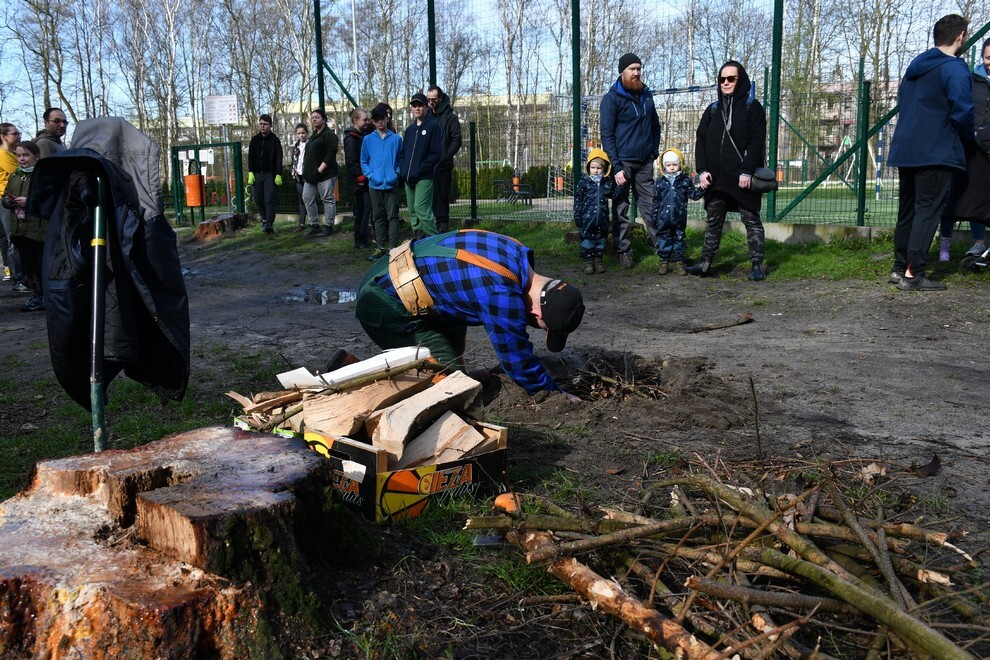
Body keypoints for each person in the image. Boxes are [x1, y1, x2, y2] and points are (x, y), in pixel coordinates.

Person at [354, 229, 585, 399]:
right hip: (380, 300)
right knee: (450, 392)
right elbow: (516, 359)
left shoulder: (516, 251)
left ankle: (456, 373)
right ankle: (358, 384)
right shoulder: (500, 292)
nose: (535, 328)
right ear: (535, 312)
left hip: (394, 269)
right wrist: (557, 394)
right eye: (542, 327)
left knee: (454, 348)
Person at [888, 14, 974, 291]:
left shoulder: (915, 67)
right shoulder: (954, 68)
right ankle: (914, 274)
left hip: (907, 147)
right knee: (928, 211)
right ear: (961, 36)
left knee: (908, 211)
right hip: (936, 149)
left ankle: (899, 267)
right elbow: (962, 110)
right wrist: (968, 139)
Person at [688, 60, 769, 281]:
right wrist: (702, 171)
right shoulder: (712, 110)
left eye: (731, 78)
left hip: (742, 178)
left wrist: (746, 170)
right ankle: (705, 264)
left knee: (751, 219)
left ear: (740, 79)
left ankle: (756, 266)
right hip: (717, 180)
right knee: (713, 220)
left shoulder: (753, 107)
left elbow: (756, 141)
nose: (725, 83)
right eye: (722, 79)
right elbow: (700, 141)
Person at [599, 53, 661, 268]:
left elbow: (655, 126)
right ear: (621, 72)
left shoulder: (646, 95)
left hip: (645, 162)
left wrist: (653, 151)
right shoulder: (611, 98)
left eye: (638, 68)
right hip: (622, 164)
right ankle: (623, 250)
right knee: (621, 209)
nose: (636, 72)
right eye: (632, 69)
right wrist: (616, 166)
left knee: (651, 206)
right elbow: (606, 134)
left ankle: (663, 248)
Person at [939, 37, 990, 261]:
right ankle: (975, 244)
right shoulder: (971, 81)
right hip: (973, 146)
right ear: (982, 58)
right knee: (970, 195)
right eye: (988, 57)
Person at [2, 141, 44, 311]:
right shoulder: (14, 175)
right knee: (28, 265)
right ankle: (36, 295)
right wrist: (7, 201)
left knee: (41, 264)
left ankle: (47, 296)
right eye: (19, 155)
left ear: (36, 156)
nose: (22, 159)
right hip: (20, 228)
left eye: (26, 155)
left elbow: (48, 198)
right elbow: (5, 194)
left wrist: (30, 202)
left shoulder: (42, 176)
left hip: (39, 229)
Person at [651, 148, 705, 275]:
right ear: (664, 166)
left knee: (679, 240)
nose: (671, 167)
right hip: (663, 219)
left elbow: (694, 195)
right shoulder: (660, 182)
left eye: (674, 164)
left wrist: (703, 188)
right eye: (668, 165)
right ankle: (664, 263)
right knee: (664, 241)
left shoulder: (685, 181)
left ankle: (678, 264)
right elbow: (656, 201)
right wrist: (654, 217)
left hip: (679, 218)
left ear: (680, 164)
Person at [361, 103, 403, 259]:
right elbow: (364, 161)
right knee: (378, 216)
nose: (379, 122)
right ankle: (380, 247)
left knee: (393, 216)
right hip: (375, 184)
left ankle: (393, 248)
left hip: (391, 183)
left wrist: (396, 174)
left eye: (382, 118)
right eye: (376, 119)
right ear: (373, 121)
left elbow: (401, 159)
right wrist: (371, 176)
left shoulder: (396, 139)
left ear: (387, 119)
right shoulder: (368, 140)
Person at [399, 93, 443, 239]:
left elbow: (436, 153)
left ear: (426, 107)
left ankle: (433, 239)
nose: (417, 108)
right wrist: (404, 170)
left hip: (424, 176)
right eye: (414, 106)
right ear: (411, 108)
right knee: (412, 210)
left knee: (421, 208)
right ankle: (418, 238)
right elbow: (404, 153)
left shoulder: (433, 126)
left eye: (420, 105)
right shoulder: (410, 130)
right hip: (408, 177)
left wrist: (420, 168)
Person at [573, 148, 622, 274]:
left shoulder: (607, 183)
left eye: (599, 168)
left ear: (605, 168)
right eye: (593, 167)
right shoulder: (584, 182)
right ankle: (588, 262)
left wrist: (621, 187)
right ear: (588, 167)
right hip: (587, 218)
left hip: (602, 218)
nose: (595, 170)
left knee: (601, 239)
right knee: (587, 239)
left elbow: (613, 195)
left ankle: (598, 260)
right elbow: (578, 200)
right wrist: (577, 215)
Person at [427, 85, 462, 233]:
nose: (430, 102)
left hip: (443, 165)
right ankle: (429, 226)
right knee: (430, 196)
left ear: (440, 98)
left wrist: (445, 156)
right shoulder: (427, 117)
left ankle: (442, 225)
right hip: (428, 165)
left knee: (442, 196)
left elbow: (456, 140)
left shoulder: (450, 118)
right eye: (428, 100)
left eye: (433, 99)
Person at [302, 108, 340, 237]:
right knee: (307, 197)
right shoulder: (313, 135)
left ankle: (328, 226)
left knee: (327, 199)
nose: (314, 119)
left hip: (326, 174)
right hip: (311, 175)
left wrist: (320, 169)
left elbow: (331, 153)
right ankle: (314, 225)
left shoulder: (329, 135)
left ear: (324, 119)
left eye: (317, 117)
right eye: (312, 117)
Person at [247, 114, 284, 234]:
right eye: (261, 124)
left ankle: (269, 223)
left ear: (270, 126)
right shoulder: (255, 140)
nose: (263, 126)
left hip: (270, 174)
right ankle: (264, 219)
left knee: (269, 199)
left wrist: (278, 174)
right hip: (257, 173)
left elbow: (279, 158)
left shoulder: (275, 140)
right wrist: (251, 172)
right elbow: (250, 157)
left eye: (265, 124)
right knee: (257, 198)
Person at [343, 108, 373, 249]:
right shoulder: (351, 138)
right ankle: (360, 239)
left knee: (364, 210)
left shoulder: (361, 135)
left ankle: (361, 239)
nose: (367, 122)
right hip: (358, 181)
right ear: (356, 120)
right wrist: (360, 178)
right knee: (363, 211)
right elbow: (351, 161)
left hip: (362, 179)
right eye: (364, 119)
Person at [0, 123, 20, 285]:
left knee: (6, 238)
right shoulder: (3, 155)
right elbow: (19, 173)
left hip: (7, 199)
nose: (18, 136)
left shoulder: (11, 154)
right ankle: (17, 277)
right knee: (12, 236)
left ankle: (11, 271)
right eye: (14, 133)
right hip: (5, 200)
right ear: (3, 137)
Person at [289, 122, 309, 232]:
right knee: (301, 200)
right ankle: (301, 223)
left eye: (303, 133)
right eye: (299, 133)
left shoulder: (310, 145)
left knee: (308, 199)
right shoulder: (296, 146)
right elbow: (294, 161)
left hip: (308, 176)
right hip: (298, 177)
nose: (301, 135)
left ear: (307, 133)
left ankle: (313, 222)